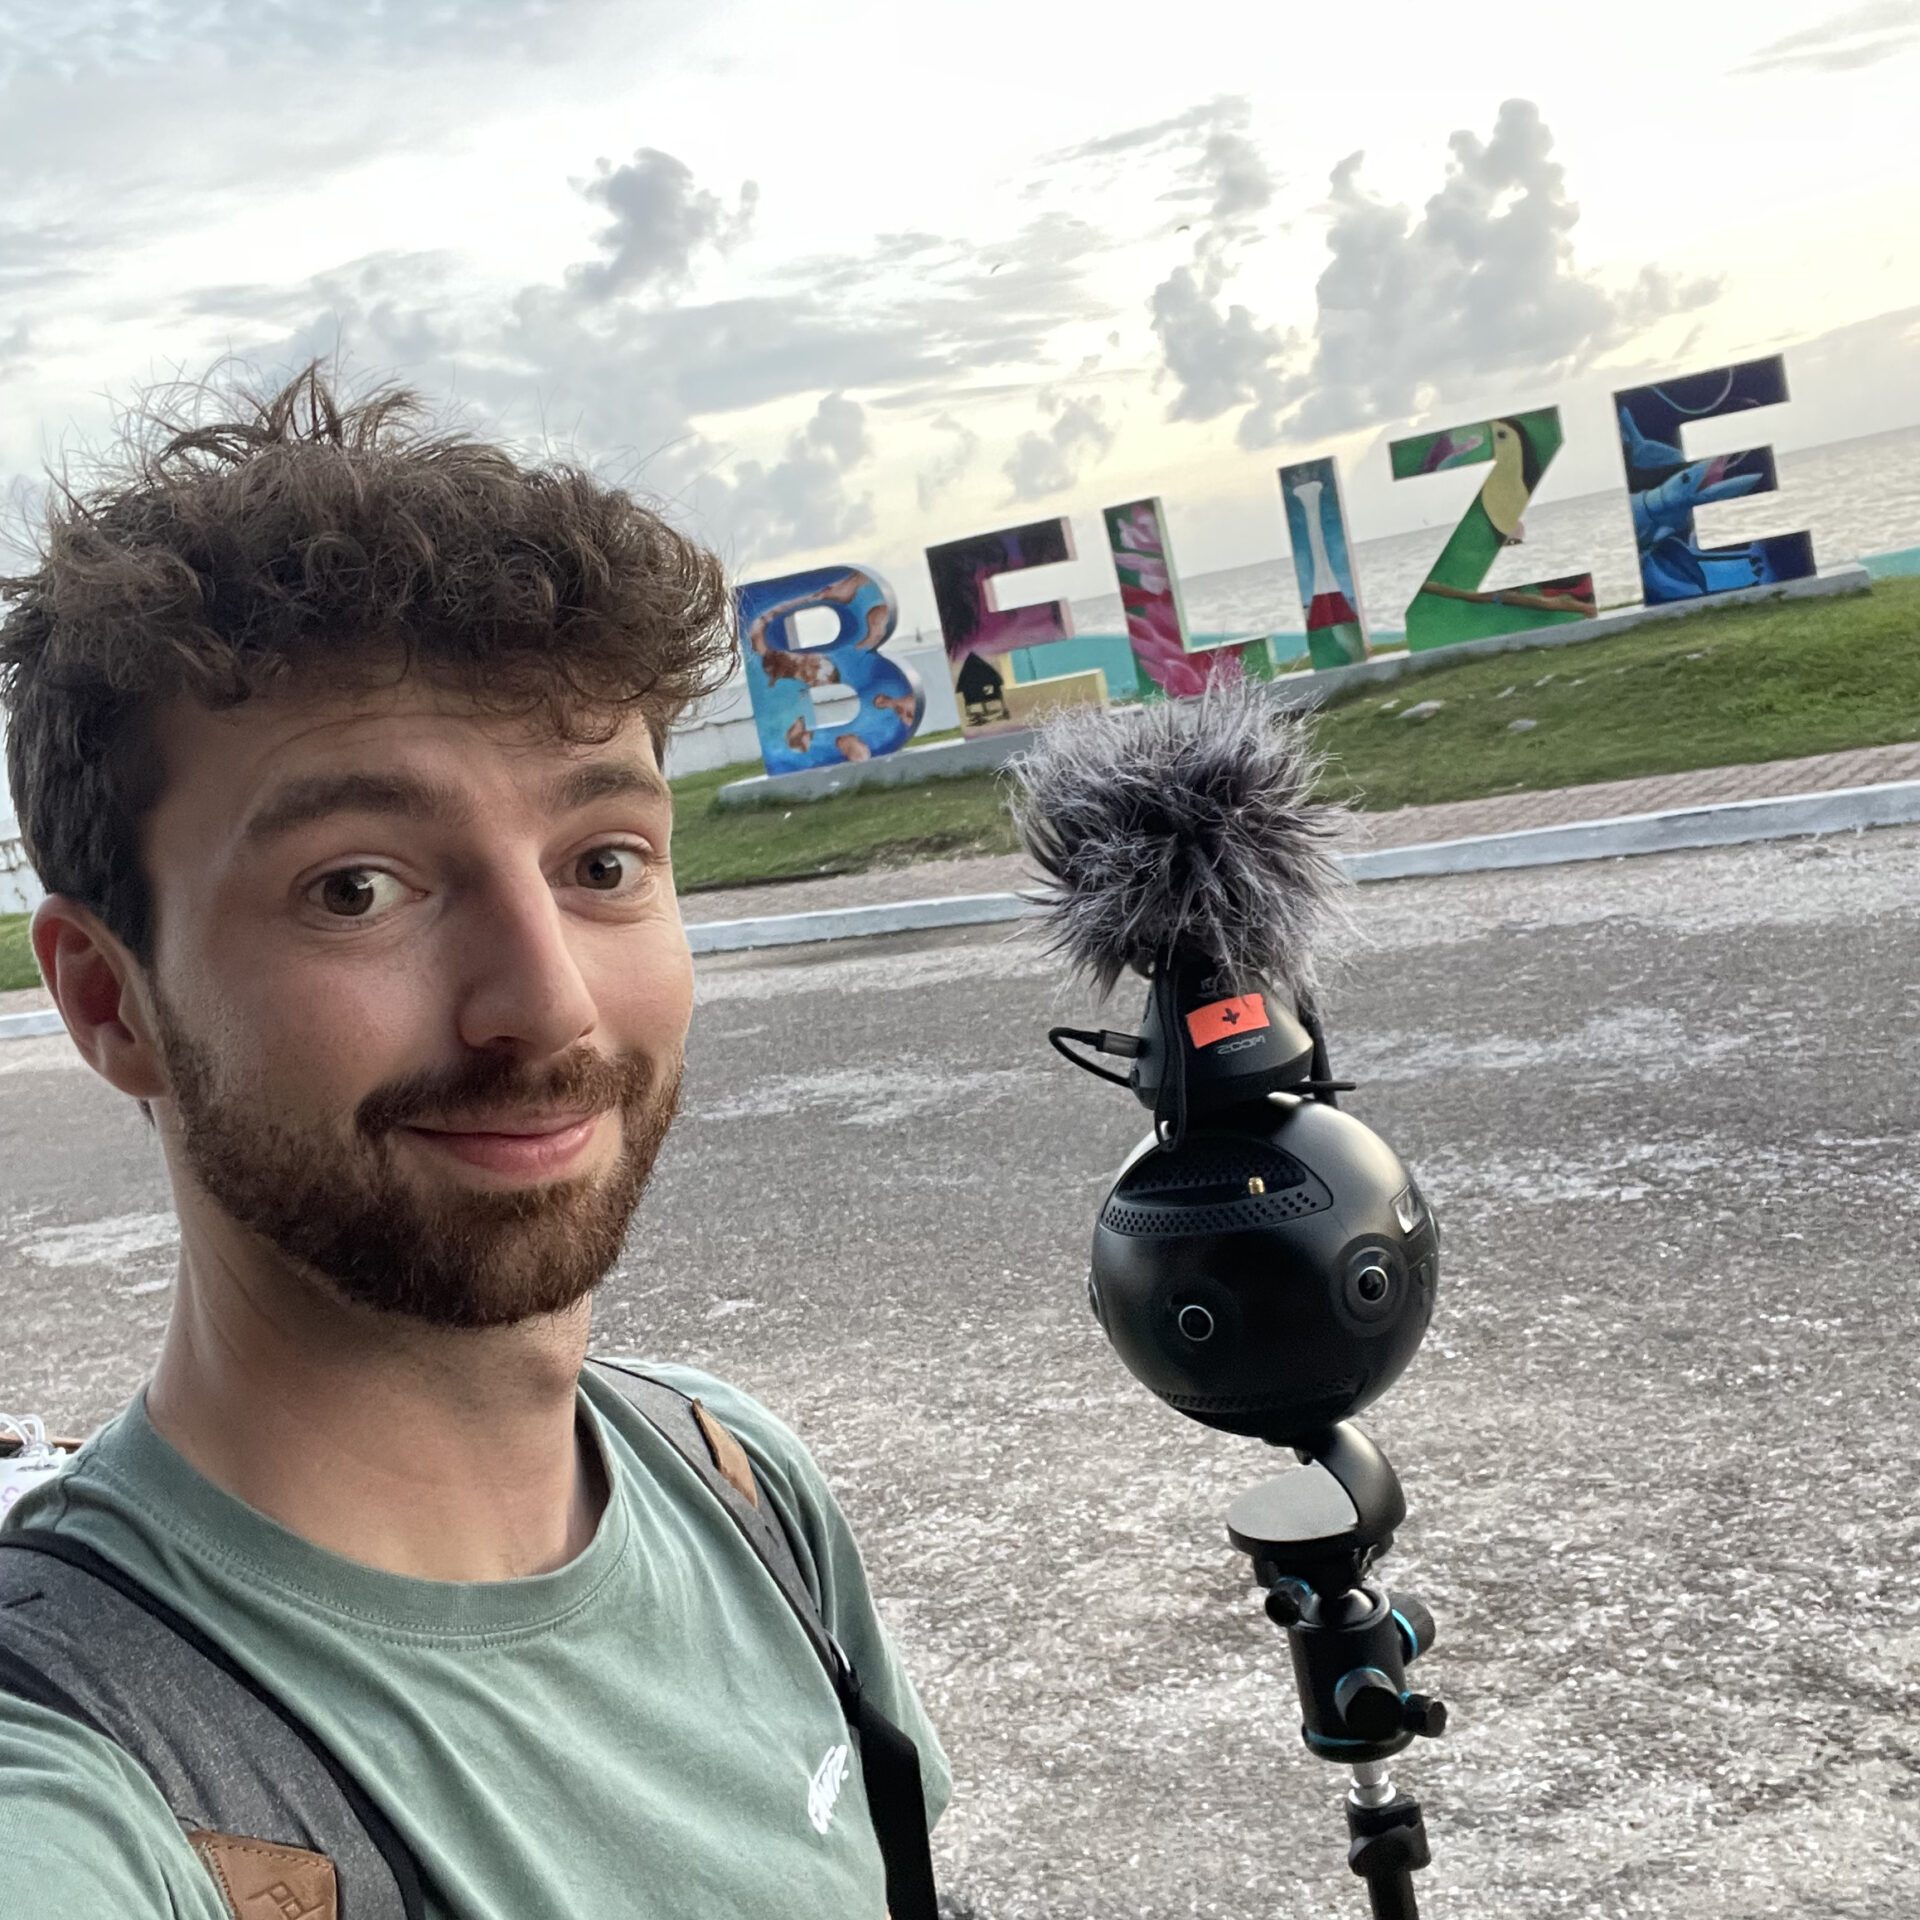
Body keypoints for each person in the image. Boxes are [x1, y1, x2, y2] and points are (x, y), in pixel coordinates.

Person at [0, 364, 949, 1917]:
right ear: (112, 1002)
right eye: (357, 888)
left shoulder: (739, 1485)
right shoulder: (81, 1775)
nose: (549, 1006)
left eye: (603, 862)